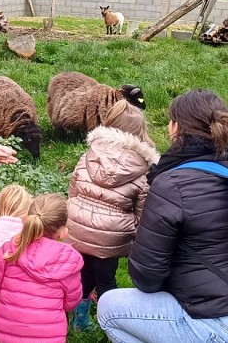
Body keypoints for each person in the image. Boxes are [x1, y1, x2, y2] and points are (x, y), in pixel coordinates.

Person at [97, 89, 228, 343]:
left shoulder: (171, 184)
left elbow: (146, 278)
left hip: (227, 326)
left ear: (176, 128)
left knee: (109, 307)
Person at [66, 100, 159, 330]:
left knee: (85, 275)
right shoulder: (141, 169)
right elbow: (142, 211)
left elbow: (74, 188)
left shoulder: (90, 154)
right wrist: (130, 233)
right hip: (112, 237)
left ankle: (80, 319)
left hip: (78, 228)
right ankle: (112, 323)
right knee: (107, 280)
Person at [0, 194, 84, 343]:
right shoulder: (68, 260)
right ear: (62, 232)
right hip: (49, 337)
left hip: (5, 334)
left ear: (26, 219)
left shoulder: (10, 249)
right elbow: (71, 302)